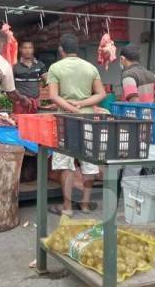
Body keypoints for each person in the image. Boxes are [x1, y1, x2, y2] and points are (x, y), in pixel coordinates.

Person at [47, 33, 106, 216]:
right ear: (77, 49)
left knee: (66, 164)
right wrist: (82, 104)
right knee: (88, 162)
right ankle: (86, 205)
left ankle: (67, 208)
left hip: (66, 121)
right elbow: (101, 94)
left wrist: (71, 109)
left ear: (61, 50)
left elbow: (53, 96)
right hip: (88, 120)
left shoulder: (55, 68)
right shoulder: (90, 68)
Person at [13, 40, 47, 114]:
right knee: (19, 123)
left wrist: (42, 87)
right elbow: (10, 86)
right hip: (20, 102)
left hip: (35, 102)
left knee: (34, 124)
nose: (28, 50)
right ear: (20, 50)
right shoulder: (15, 66)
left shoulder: (40, 65)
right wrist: (20, 97)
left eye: (30, 48)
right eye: (25, 48)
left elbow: (48, 80)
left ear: (33, 49)